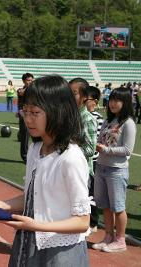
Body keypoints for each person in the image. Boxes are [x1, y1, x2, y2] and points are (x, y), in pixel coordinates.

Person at [0, 75, 90, 266]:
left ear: (57, 111)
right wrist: (5, 205)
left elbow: (82, 221)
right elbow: (33, 196)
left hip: (59, 252)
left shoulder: (70, 157)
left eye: (35, 112)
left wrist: (37, 225)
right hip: (29, 243)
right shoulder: (35, 149)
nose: (28, 119)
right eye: (25, 111)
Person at [92, 88, 136, 253]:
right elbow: (100, 139)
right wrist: (98, 145)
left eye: (117, 100)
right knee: (105, 206)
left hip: (116, 170)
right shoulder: (108, 120)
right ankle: (108, 236)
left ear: (125, 103)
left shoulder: (129, 123)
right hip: (101, 166)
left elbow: (127, 150)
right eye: (111, 99)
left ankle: (120, 239)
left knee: (118, 207)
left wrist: (106, 150)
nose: (112, 103)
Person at [69, 78, 97, 230]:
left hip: (82, 172)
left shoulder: (87, 119)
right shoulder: (70, 115)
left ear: (85, 96)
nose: (70, 97)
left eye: (74, 93)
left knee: (77, 214)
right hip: (67, 169)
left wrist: (70, 148)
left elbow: (90, 150)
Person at [84, 86, 104, 232]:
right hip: (84, 159)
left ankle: (93, 222)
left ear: (95, 101)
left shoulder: (97, 118)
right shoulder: (81, 115)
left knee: (91, 192)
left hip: (94, 161)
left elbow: (95, 140)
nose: (85, 101)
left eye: (88, 99)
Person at [17, 73, 34, 163]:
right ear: (23, 81)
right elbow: (22, 92)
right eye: (28, 80)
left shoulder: (34, 90)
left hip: (34, 116)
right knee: (25, 137)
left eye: (32, 80)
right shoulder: (21, 90)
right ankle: (25, 157)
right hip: (24, 116)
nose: (30, 82)